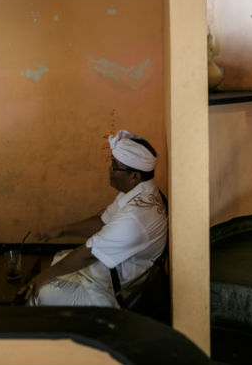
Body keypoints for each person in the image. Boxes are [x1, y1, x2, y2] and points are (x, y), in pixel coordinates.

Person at [20, 130, 168, 307]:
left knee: (39, 293)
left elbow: (88, 254)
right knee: (57, 264)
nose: (109, 170)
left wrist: (43, 277)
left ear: (134, 176)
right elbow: (102, 222)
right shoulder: (142, 191)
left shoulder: (134, 217)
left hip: (112, 290)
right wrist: (62, 230)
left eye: (115, 166)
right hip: (107, 273)